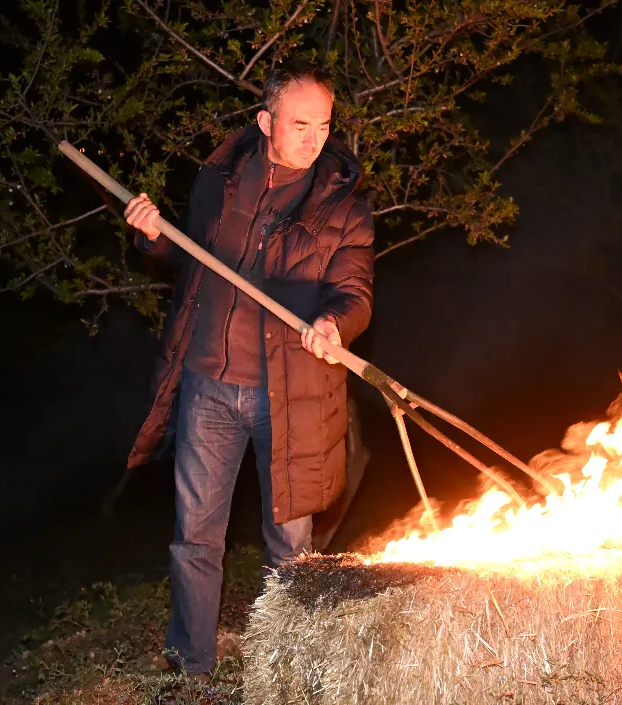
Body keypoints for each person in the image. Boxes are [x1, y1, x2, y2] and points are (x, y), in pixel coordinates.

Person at [122, 60, 374, 675]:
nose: (314, 138)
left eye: (324, 125)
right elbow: (187, 260)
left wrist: (334, 324)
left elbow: (356, 291)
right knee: (195, 539)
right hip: (207, 386)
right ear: (266, 122)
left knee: (290, 547)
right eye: (299, 123)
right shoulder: (219, 181)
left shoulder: (343, 205)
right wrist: (153, 237)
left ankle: (286, 672)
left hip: (291, 394)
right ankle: (192, 667)